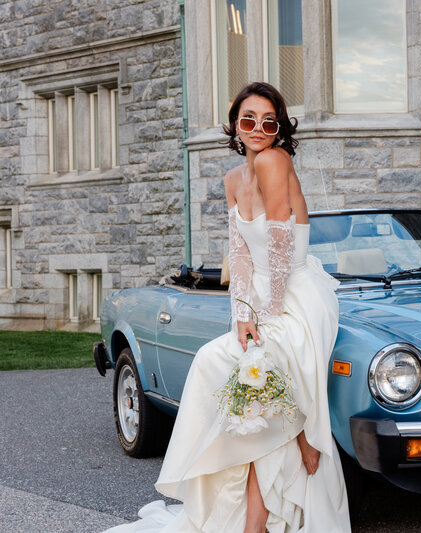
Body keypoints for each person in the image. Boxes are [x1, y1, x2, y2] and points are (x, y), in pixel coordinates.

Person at [103, 82, 350, 533]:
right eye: (248, 119)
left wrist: (267, 318)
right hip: (259, 296)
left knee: (257, 374)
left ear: (279, 129)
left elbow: (278, 247)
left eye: (269, 121)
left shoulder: (278, 162)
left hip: (296, 297)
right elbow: (238, 254)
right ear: (235, 124)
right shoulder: (233, 179)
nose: (258, 128)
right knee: (221, 368)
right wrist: (241, 315)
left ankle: (301, 444)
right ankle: (289, 454)